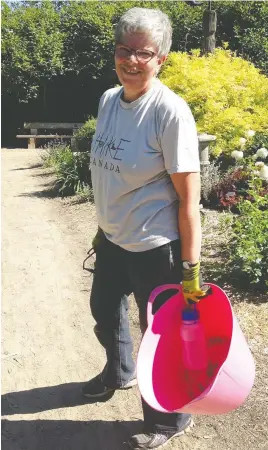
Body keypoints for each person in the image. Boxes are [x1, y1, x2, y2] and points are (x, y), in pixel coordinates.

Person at [82, 7, 209, 449]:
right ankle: (118, 372)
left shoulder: (170, 112)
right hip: (113, 240)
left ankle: (169, 419)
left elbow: (189, 199)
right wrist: (103, 226)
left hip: (157, 249)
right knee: (103, 310)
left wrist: (191, 269)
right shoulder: (107, 99)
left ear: (161, 60)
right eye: (124, 49)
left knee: (160, 339)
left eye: (144, 52)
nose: (131, 60)